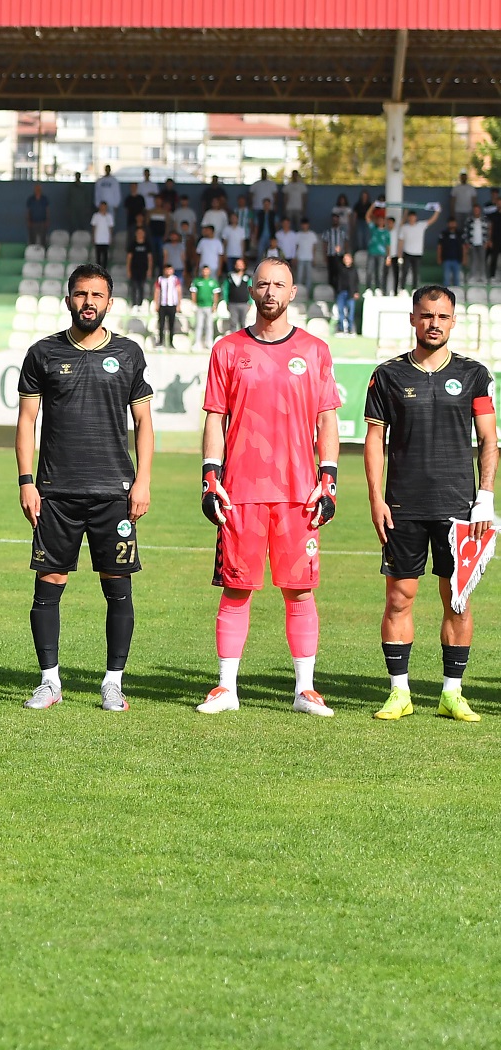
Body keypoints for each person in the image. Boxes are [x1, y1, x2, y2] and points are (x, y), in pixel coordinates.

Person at [197, 257, 341, 718]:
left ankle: (305, 690)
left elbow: (327, 419)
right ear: (251, 290)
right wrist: (210, 476)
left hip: (300, 492)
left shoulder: (316, 351)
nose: (271, 292)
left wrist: (329, 476)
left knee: (300, 591)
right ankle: (226, 689)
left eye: (279, 284)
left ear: (293, 292)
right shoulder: (227, 349)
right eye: (263, 284)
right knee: (237, 589)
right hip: (240, 491)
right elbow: (215, 417)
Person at [15, 264, 153, 711]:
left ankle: (113, 681)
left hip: (114, 492)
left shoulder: (129, 353)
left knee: (118, 587)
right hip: (56, 493)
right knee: (49, 583)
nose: (88, 302)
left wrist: (142, 480)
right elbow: (27, 421)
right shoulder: (43, 353)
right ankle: (49, 681)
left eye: (97, 295)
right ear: (68, 298)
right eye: (80, 294)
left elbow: (144, 424)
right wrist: (26, 481)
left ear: (109, 302)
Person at [363, 286, 498, 722]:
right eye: (426, 315)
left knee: (457, 600)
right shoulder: (387, 375)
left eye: (442, 316)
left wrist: (486, 499)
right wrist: (376, 497)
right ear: (412, 319)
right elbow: (374, 441)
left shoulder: (475, 374)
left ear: (453, 321)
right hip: (403, 505)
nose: (434, 323)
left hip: (461, 507)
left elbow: (489, 440)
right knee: (399, 598)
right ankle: (399, 693)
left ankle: (451, 693)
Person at [399, 204, 441, 291]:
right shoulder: (404, 227)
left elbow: (432, 220)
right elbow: (401, 241)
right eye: (410, 217)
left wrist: (437, 211)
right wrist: (400, 255)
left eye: (413, 217)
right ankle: (402, 289)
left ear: (416, 218)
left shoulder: (421, 225)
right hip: (407, 253)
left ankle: (414, 289)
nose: (411, 219)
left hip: (417, 253)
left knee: (416, 273)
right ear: (408, 218)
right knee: (404, 272)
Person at [191, 265, 220, 350]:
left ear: (209, 272)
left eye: (207, 271)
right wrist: (194, 304)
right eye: (204, 271)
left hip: (209, 306)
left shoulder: (213, 282)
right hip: (200, 306)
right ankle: (197, 342)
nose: (205, 272)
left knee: (209, 325)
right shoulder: (197, 281)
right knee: (199, 325)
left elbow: (215, 294)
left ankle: (209, 342)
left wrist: (215, 304)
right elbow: (193, 293)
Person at [154, 264, 181, 348]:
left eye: (170, 270)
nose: (168, 271)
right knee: (161, 324)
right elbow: (157, 291)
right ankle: (160, 341)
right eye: (167, 270)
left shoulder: (175, 279)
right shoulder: (160, 279)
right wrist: (156, 303)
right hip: (162, 304)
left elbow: (179, 291)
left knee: (171, 324)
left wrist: (179, 304)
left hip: (172, 305)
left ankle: (171, 342)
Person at [224, 256, 253, 332]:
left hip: (244, 304)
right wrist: (226, 301)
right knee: (233, 323)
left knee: (243, 324)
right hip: (233, 303)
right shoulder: (230, 277)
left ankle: (242, 341)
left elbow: (251, 289)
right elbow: (225, 289)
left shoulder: (247, 277)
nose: (239, 266)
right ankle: (233, 341)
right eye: (237, 264)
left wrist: (250, 302)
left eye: (241, 264)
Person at [127, 226, 153, 308]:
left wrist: (149, 269)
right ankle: (134, 303)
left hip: (143, 269)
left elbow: (150, 258)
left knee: (141, 286)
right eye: (138, 233)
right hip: (134, 268)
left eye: (141, 233)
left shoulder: (147, 245)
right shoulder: (133, 244)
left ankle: (140, 304)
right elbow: (129, 258)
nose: (140, 234)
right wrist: (128, 270)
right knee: (134, 286)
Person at [334, 251, 358, 333]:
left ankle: (350, 328)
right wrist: (337, 253)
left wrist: (356, 292)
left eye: (348, 259)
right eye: (345, 259)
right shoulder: (341, 268)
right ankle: (340, 328)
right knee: (340, 311)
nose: (347, 260)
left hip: (351, 293)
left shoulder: (354, 270)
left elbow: (356, 281)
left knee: (350, 312)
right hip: (341, 292)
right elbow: (336, 262)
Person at [294, 217, 318, 292]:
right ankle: (298, 292)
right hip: (300, 258)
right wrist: (295, 257)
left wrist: (314, 258)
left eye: (306, 224)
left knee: (309, 277)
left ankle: (307, 292)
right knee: (299, 276)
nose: (304, 226)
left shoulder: (312, 234)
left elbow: (314, 248)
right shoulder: (298, 234)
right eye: (303, 224)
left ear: (308, 225)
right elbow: (296, 247)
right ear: (301, 225)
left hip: (309, 258)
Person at [440, 226, 465, 290]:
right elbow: (439, 246)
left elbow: (463, 247)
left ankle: (457, 293)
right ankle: (445, 293)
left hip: (457, 260)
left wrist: (464, 258)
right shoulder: (444, 234)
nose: (452, 224)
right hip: (446, 259)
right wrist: (439, 257)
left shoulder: (459, 234)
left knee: (457, 278)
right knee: (446, 278)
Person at [90, 201, 114, 269]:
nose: (103, 208)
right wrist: (93, 237)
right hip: (98, 239)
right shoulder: (96, 215)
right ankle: (98, 269)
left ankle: (104, 269)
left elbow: (111, 227)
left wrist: (110, 237)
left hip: (106, 239)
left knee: (105, 256)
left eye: (104, 206)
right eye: (101, 206)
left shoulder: (109, 216)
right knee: (98, 255)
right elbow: (94, 227)